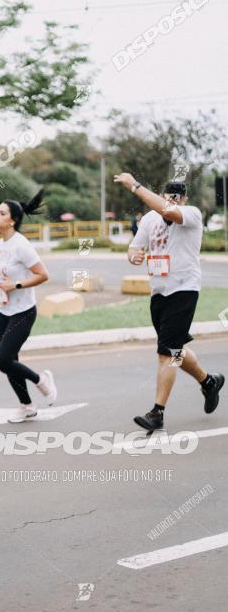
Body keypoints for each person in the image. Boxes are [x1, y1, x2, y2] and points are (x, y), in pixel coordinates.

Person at [117, 174, 224, 431]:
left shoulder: (192, 214)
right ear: (164, 195)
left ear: (184, 199)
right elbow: (134, 248)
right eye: (169, 196)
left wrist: (135, 186)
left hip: (184, 290)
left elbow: (169, 211)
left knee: (166, 354)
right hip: (159, 292)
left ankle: (157, 412)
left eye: (178, 197)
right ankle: (209, 382)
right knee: (174, 349)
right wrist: (134, 256)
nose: (173, 200)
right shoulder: (149, 220)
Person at [0, 192, 57, 422]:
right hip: (3, 311)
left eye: (2, 213)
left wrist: (18, 284)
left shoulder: (22, 245)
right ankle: (27, 406)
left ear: (12, 220)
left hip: (23, 312)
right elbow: (0, 282)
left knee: (2, 360)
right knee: (11, 361)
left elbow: (43, 275)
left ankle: (41, 380)